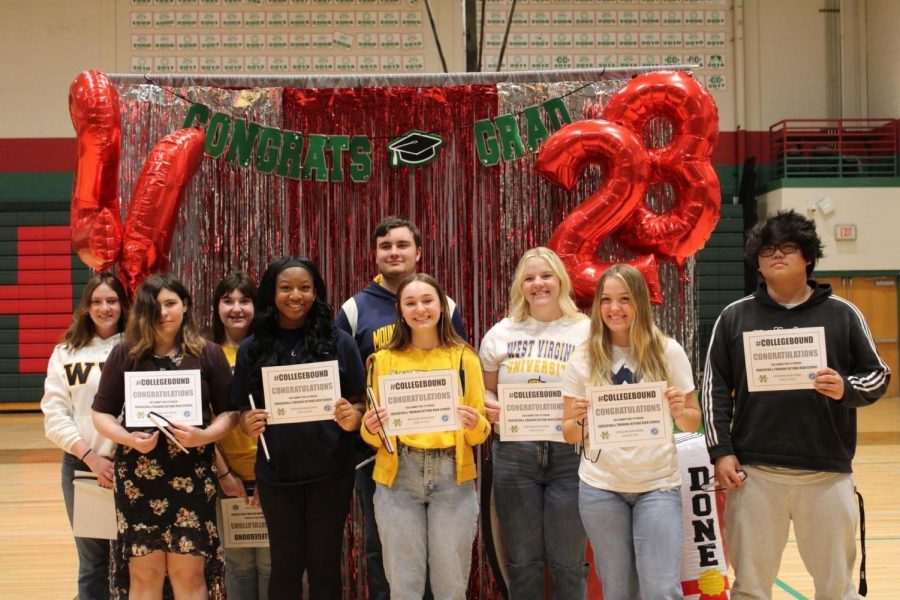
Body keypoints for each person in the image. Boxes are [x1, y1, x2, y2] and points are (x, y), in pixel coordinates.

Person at [702, 210, 890, 599]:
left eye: (788, 248)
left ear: (808, 257)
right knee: (750, 588)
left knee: (837, 589)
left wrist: (845, 388)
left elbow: (878, 375)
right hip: (755, 476)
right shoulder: (734, 317)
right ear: (757, 259)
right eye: (767, 249)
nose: (776, 255)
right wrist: (721, 452)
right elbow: (714, 390)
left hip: (826, 473)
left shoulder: (842, 313)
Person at [335, 216, 466, 600]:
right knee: (384, 556)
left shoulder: (444, 303)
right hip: (378, 455)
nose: (394, 252)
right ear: (375, 255)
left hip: (441, 455)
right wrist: (359, 418)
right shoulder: (354, 309)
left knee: (441, 559)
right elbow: (342, 385)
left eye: (402, 245)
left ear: (418, 252)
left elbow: (460, 369)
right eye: (385, 246)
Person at [92, 273, 237, 599]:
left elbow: (231, 413)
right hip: (138, 479)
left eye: (171, 304)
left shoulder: (209, 353)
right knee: (145, 575)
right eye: (153, 307)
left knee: (188, 575)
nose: (163, 313)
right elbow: (100, 414)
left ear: (185, 305)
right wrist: (127, 439)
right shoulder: (125, 354)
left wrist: (205, 436)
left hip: (192, 476)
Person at [562, 264, 701, 599]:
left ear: (640, 302)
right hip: (601, 489)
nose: (614, 308)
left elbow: (693, 421)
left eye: (624, 299)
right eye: (606, 300)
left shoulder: (667, 350)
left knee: (660, 590)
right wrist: (579, 419)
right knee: (618, 591)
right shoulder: (583, 357)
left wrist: (681, 409)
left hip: (657, 486)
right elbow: (569, 433)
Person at [232, 257, 366, 600]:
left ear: (316, 292)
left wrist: (354, 414)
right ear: (271, 293)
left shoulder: (339, 342)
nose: (296, 295)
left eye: (305, 288)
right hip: (278, 474)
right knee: (286, 566)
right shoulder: (252, 347)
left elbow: (360, 401)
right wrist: (247, 422)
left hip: (331, 471)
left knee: (324, 567)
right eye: (286, 288)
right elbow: (241, 409)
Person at [361, 273, 491, 600]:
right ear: (400, 310)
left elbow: (481, 433)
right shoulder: (382, 361)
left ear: (442, 306)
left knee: (450, 586)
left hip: (453, 477)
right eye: (411, 303)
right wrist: (369, 426)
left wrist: (475, 422)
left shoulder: (465, 358)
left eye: (427, 300)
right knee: (404, 586)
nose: (420, 309)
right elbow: (372, 434)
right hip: (398, 477)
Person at [478, 247, 590, 598]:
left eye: (546, 276)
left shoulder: (586, 330)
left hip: (570, 453)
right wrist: (492, 406)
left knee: (569, 564)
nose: (538, 284)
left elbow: (598, 387)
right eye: (529, 278)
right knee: (524, 564)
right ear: (519, 286)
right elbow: (485, 392)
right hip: (515, 455)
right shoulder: (500, 333)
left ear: (561, 281)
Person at [41, 272, 129, 600]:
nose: (105, 308)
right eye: (97, 301)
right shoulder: (66, 352)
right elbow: (54, 415)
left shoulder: (137, 347)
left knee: (134, 559)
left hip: (133, 469)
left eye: (111, 300)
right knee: (93, 562)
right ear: (86, 308)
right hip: (83, 467)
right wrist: (90, 457)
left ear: (123, 305)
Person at [210, 272, 271, 599]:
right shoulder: (208, 355)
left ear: (256, 306)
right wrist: (224, 475)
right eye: (228, 300)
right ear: (216, 307)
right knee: (238, 566)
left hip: (270, 478)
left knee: (272, 566)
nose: (236, 308)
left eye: (244, 300)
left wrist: (267, 474)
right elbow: (205, 423)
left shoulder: (270, 351)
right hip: (228, 481)